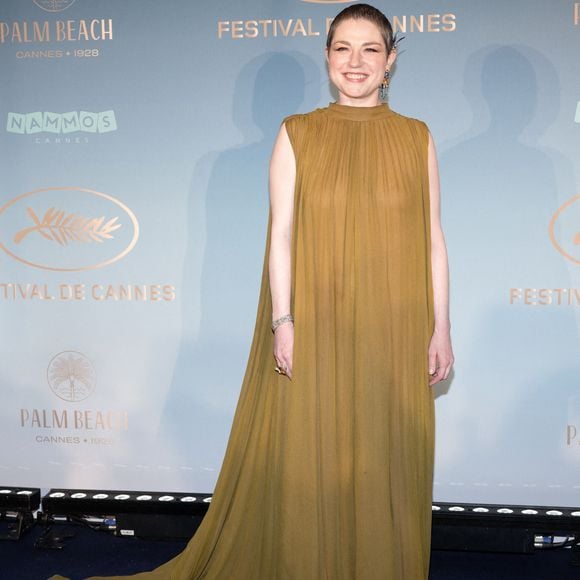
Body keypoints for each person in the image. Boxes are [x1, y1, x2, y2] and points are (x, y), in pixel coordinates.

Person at [83, 3, 453, 579]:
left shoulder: (417, 137)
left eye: (370, 50)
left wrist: (441, 327)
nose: (355, 62)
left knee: (388, 460)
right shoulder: (297, 132)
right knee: (313, 459)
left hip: (396, 327)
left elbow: (432, 238)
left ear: (391, 62)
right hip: (317, 323)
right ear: (327, 57)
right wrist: (284, 321)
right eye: (342, 49)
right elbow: (280, 235)